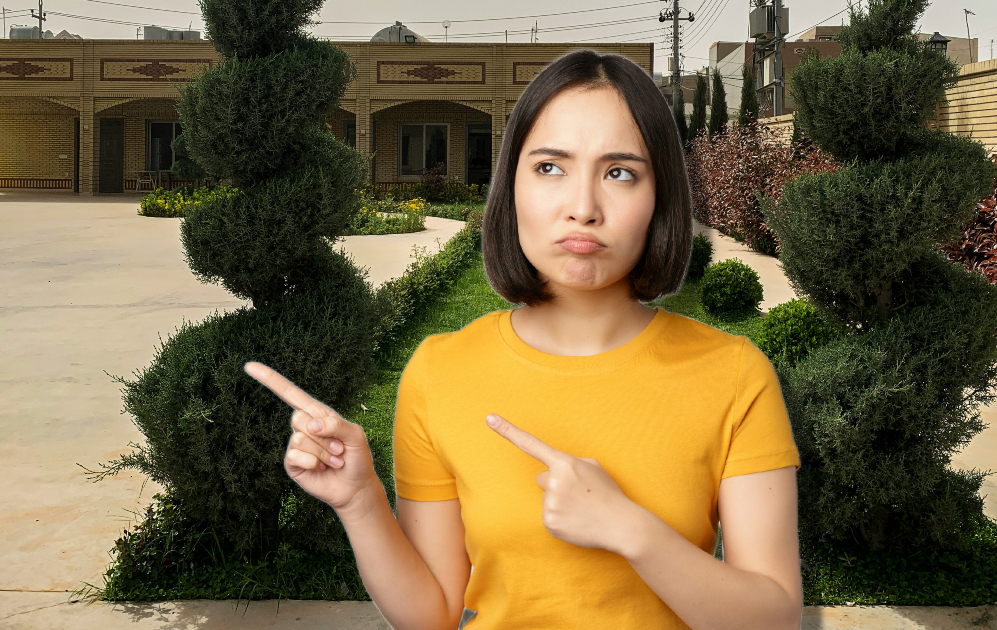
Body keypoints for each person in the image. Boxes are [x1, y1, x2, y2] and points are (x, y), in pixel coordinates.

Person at [246, 48, 803, 630]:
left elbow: (772, 619)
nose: (583, 209)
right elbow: (432, 614)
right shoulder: (441, 372)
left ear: (659, 196)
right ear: (510, 188)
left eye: (620, 172)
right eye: (550, 167)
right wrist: (361, 503)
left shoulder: (735, 375)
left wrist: (629, 530)